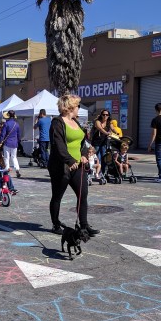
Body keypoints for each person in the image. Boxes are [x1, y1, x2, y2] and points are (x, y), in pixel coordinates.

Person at [48, 94, 99, 237]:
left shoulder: (76, 122)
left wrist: (84, 154)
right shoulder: (57, 123)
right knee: (57, 196)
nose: (79, 108)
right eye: (77, 106)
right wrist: (70, 161)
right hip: (62, 166)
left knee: (83, 195)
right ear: (69, 107)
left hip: (78, 166)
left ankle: (84, 225)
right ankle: (56, 224)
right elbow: (58, 146)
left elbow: (82, 142)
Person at [0, 110, 22, 177]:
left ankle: (6, 170)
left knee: (6, 157)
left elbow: (3, 134)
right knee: (14, 157)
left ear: (8, 115)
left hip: (7, 143)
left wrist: (0, 142)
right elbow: (19, 135)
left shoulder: (6, 124)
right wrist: (18, 141)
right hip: (14, 143)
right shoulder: (16, 124)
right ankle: (17, 169)